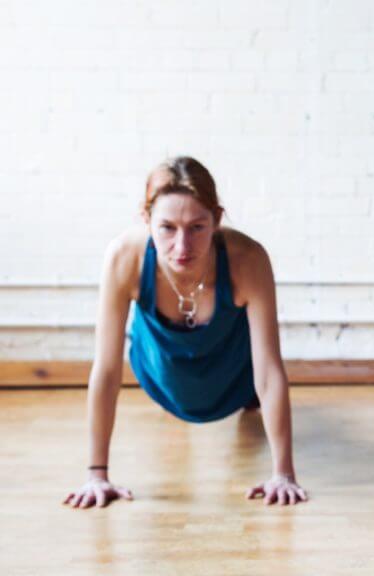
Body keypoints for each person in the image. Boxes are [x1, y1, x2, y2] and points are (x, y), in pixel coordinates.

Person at [64, 157, 307, 509]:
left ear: (217, 220)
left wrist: (283, 473)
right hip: (161, 372)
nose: (182, 246)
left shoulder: (248, 258)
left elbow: (268, 368)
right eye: (167, 228)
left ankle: (245, 400)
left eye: (196, 227)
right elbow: (106, 368)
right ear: (146, 221)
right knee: (166, 373)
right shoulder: (123, 257)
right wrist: (96, 474)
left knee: (253, 388)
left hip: (233, 373)